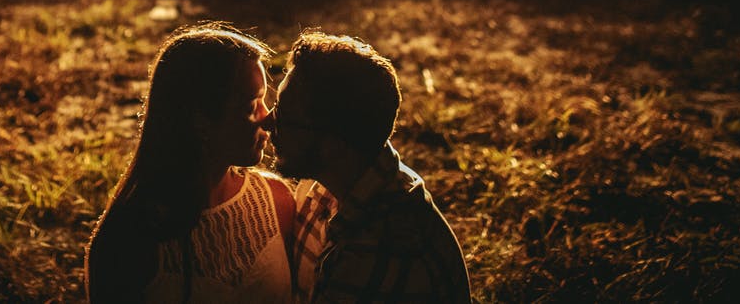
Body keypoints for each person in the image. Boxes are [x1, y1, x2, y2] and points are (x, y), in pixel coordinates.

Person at [85, 23, 297, 303]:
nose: (268, 118)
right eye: (250, 106)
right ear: (200, 121)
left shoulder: (276, 202)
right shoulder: (128, 241)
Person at [268, 31, 471, 303]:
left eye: (284, 115)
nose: (268, 122)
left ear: (333, 144)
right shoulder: (340, 181)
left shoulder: (377, 253)